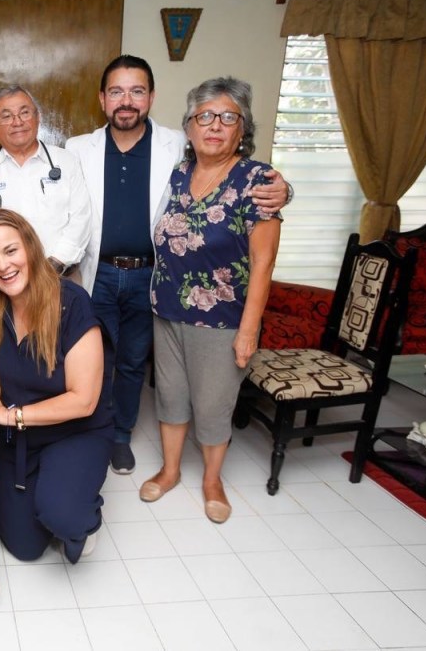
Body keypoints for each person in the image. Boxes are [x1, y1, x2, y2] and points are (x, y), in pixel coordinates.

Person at [65, 55, 291, 475]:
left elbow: (236, 175)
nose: (126, 101)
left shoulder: (176, 145)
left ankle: (120, 435)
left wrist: (284, 189)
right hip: (99, 272)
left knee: (133, 362)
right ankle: (92, 433)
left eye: (137, 91)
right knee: (93, 359)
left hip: (150, 276)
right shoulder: (76, 149)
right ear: (102, 99)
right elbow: (43, 182)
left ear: (151, 97)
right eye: (117, 91)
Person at [143, 76, 282, 523]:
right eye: (204, 117)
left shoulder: (257, 181)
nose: (215, 126)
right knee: (171, 396)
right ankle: (169, 471)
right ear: (189, 127)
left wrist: (249, 330)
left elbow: (263, 263)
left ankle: (211, 480)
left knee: (213, 405)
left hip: (222, 318)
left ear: (243, 128)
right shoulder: (180, 174)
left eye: (227, 117)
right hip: (167, 310)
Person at [0, 209, 109, 564]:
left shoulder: (71, 302)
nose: (3, 266)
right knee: (24, 548)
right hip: (19, 441)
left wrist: (8, 416)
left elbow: (84, 401)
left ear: (30, 247)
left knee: (64, 517)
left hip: (74, 432)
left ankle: (82, 517)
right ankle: (53, 490)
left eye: (11, 251)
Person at [0, 85, 91, 280]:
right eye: (6, 116)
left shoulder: (66, 161)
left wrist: (55, 264)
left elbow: (81, 217)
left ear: (38, 117)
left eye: (24, 113)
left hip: (61, 275)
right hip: (8, 278)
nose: (17, 122)